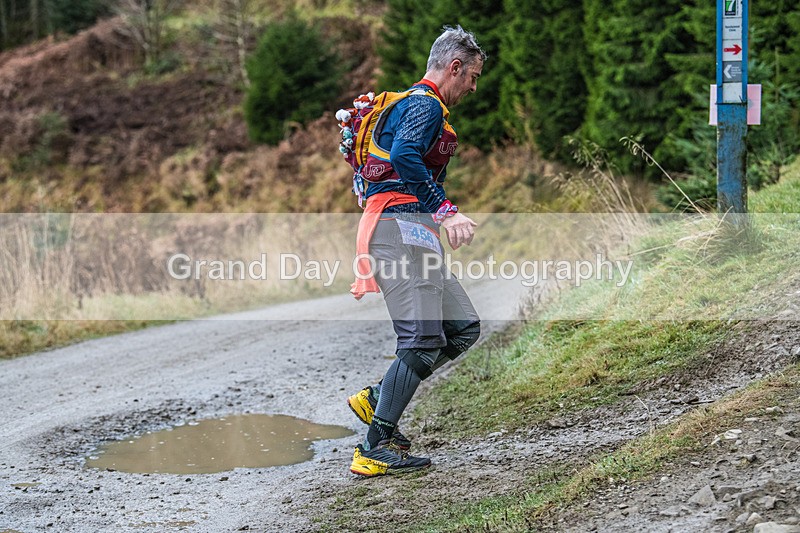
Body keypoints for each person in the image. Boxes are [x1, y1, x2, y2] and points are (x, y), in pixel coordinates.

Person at [347, 25, 486, 476]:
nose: (473, 86)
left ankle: (378, 396)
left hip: (411, 228)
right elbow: (405, 155)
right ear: (455, 67)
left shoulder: (421, 108)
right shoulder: (424, 105)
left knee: (462, 328)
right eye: (473, 76)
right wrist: (445, 211)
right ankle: (374, 445)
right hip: (398, 228)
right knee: (423, 339)